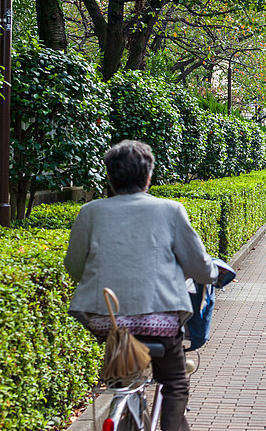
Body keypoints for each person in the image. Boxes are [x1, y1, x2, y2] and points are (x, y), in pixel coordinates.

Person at [65, 140, 221, 431]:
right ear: (148, 176)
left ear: (109, 177)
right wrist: (212, 274)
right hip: (159, 323)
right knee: (174, 382)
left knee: (121, 374)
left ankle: (121, 399)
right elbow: (198, 265)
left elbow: (74, 266)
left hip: (107, 322)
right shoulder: (170, 210)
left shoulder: (90, 212)